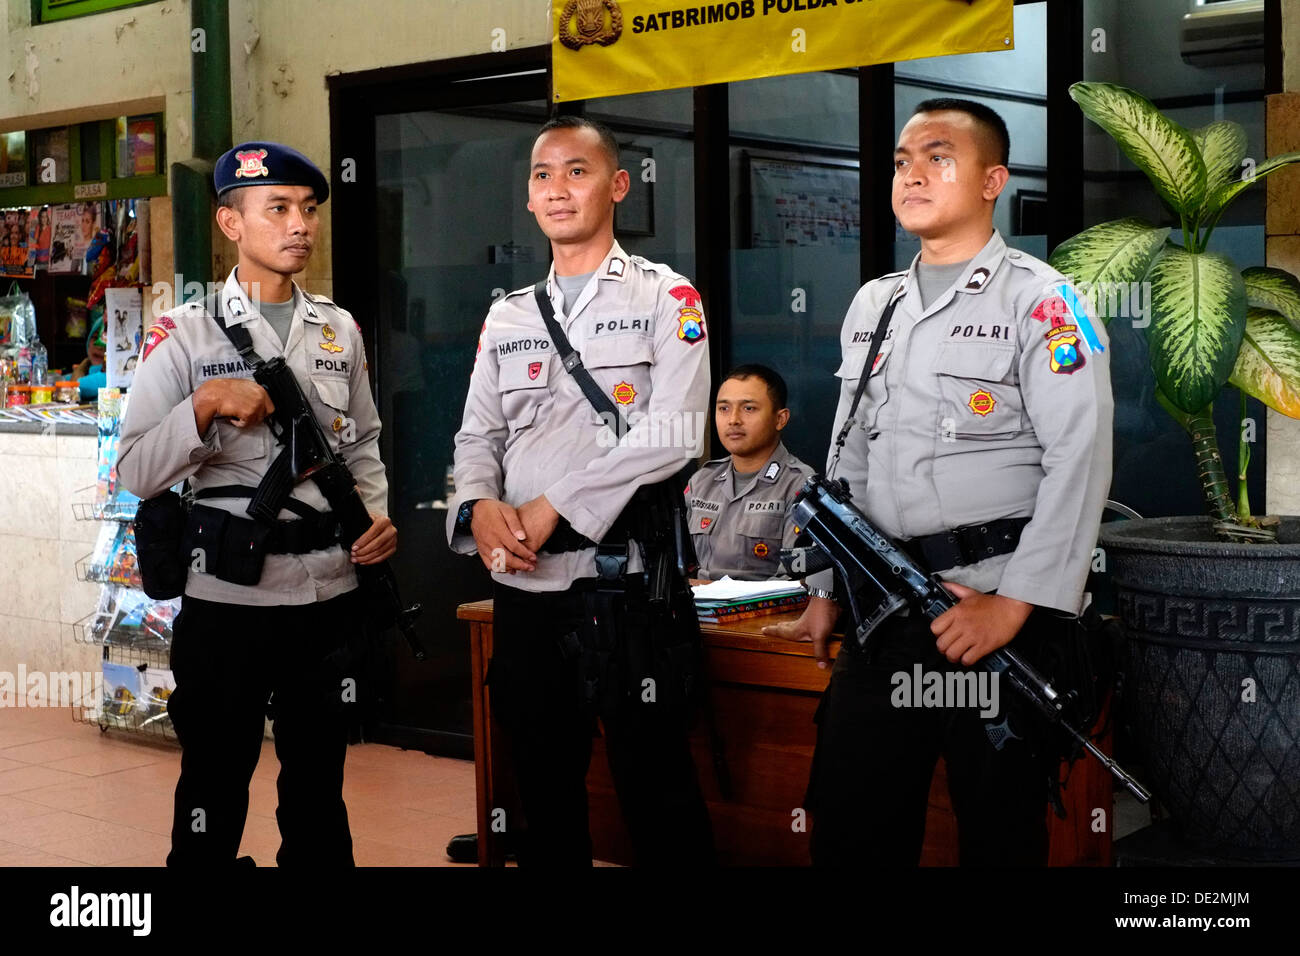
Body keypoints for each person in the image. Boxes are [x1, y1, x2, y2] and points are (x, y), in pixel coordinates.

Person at [765, 99, 1113, 866]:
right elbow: (848, 454)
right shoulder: (874, 304)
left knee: (995, 832)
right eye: (901, 160)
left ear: (993, 180)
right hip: (883, 615)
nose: (912, 173)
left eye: (938, 156)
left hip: (990, 619)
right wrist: (826, 590)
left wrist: (1014, 604)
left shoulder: (1046, 302)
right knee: (854, 826)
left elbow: (1080, 460)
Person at [118, 141, 396, 867]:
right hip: (228, 604)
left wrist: (377, 519)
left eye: (307, 209)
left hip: (327, 597)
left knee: (318, 792)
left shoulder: (340, 330)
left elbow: (363, 443)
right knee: (213, 788)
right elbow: (135, 469)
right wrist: (204, 404)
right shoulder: (182, 334)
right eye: (278, 208)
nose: (300, 224)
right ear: (230, 224)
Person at [446, 115, 714, 867]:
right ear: (529, 200)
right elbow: (476, 437)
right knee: (542, 789)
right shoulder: (508, 315)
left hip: (627, 590)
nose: (557, 189)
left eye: (577, 171)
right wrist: (481, 508)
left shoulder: (670, 298)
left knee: (656, 789)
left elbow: (676, 432)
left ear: (617, 185)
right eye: (542, 175)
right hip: (527, 591)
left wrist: (554, 505)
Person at [686, 363, 812, 580]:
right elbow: (680, 565)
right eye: (724, 408)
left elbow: (796, 581)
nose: (733, 419)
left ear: (780, 419)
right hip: (698, 608)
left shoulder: (800, 485)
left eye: (748, 408)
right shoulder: (702, 481)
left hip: (767, 611)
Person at [73, 315, 108, 401]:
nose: (99, 347)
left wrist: (81, 367)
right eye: (95, 337)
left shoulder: (110, 376)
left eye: (106, 340)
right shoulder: (88, 370)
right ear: (88, 342)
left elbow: (72, 389)